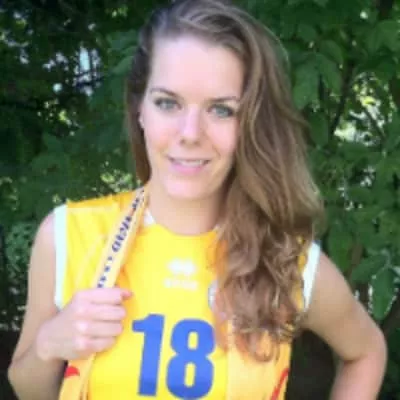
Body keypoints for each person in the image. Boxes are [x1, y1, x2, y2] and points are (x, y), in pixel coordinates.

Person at [8, 0, 387, 399]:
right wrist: (50, 344)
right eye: (168, 103)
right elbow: (27, 388)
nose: (190, 133)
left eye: (221, 110)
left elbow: (366, 351)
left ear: (250, 122)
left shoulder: (285, 260)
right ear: (139, 109)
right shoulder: (68, 236)